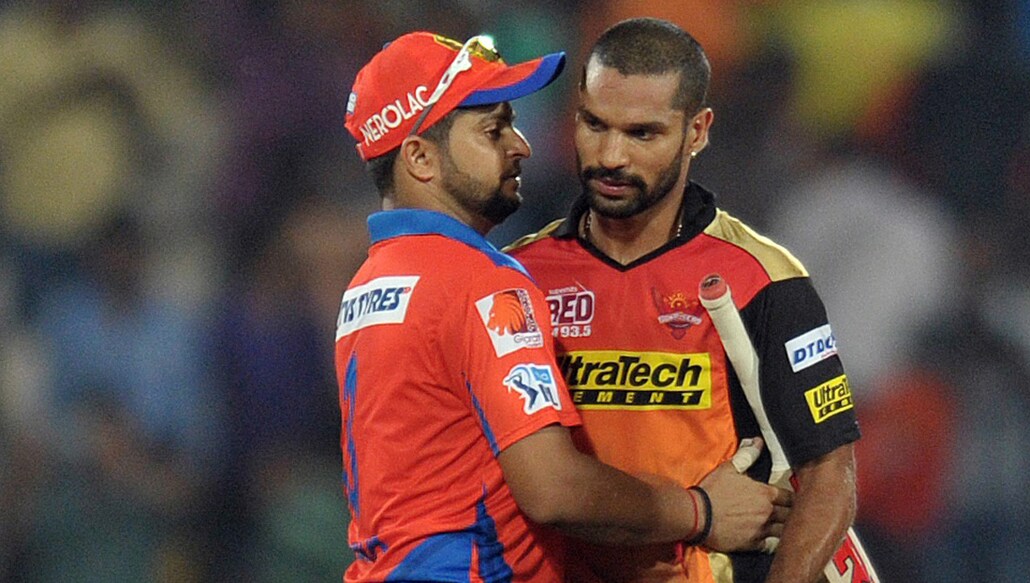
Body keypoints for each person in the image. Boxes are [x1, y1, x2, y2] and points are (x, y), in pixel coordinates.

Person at [336, 31, 791, 583]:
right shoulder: (483, 281)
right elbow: (555, 490)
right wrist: (702, 511)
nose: (519, 145)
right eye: (493, 128)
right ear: (420, 158)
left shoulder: (370, 285)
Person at [506, 18, 862, 583]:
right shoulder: (517, 277)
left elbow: (830, 471)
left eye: (643, 133)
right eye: (595, 124)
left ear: (697, 131)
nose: (611, 155)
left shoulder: (764, 279)